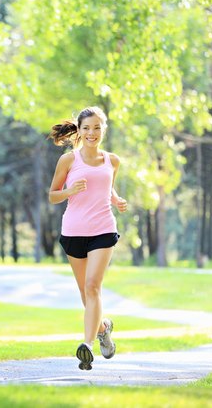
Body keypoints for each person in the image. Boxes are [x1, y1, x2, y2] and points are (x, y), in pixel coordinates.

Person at [48, 106, 128, 371]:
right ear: (79, 131)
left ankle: (87, 346)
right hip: (73, 232)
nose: (92, 133)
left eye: (97, 128)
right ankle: (104, 328)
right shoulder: (69, 161)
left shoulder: (112, 161)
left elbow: (107, 185)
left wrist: (116, 200)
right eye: (87, 128)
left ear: (103, 129)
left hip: (103, 230)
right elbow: (53, 195)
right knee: (85, 294)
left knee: (93, 287)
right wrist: (70, 190)